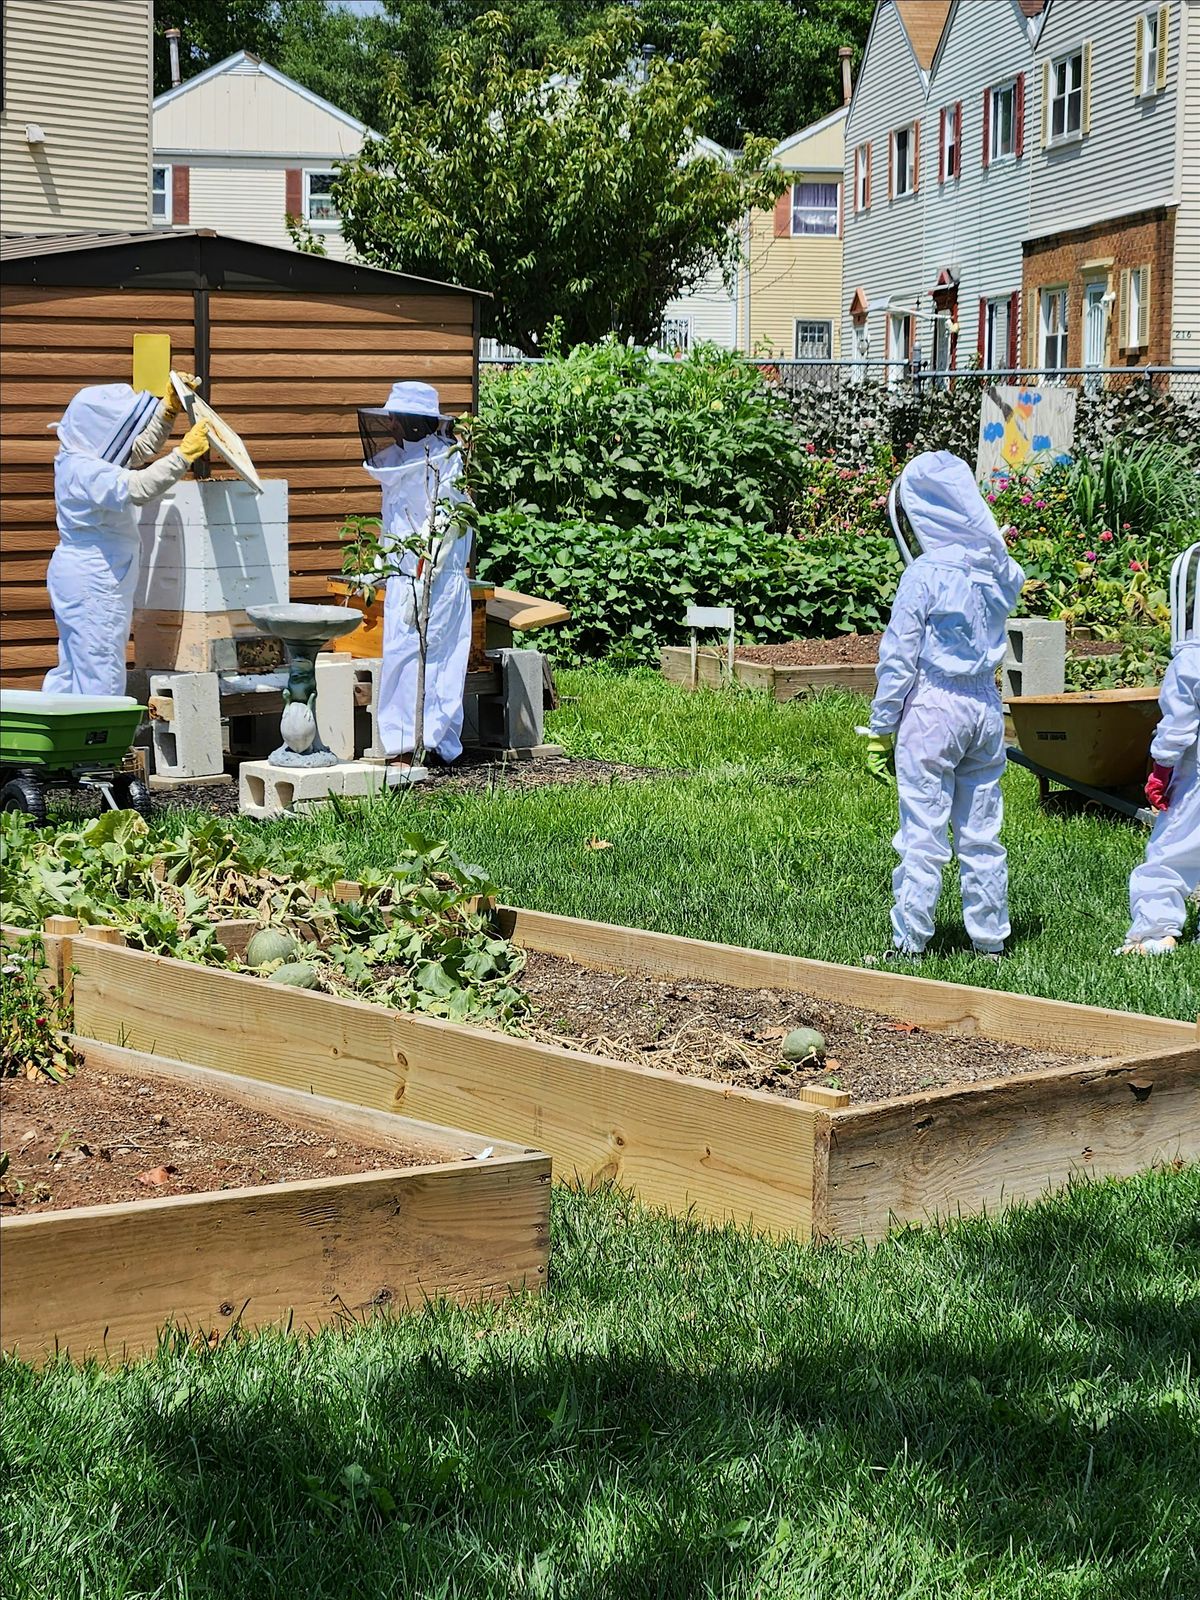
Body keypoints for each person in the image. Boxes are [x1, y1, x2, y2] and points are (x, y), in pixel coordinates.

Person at [865, 450, 1025, 962]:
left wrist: (880, 726)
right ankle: (990, 942)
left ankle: (909, 942)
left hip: (933, 707)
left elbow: (898, 658)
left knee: (923, 830)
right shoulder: (998, 572)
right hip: (985, 706)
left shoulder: (925, 574)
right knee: (982, 831)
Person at [43, 380, 209, 697]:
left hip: (84, 576)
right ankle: (99, 745)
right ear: (96, 429)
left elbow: (137, 451)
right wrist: (183, 455)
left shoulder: (81, 456)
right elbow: (139, 487)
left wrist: (167, 412)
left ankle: (62, 742)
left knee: (74, 669)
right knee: (100, 673)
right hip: (93, 581)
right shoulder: (84, 471)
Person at [359, 381, 472, 773]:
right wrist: (379, 567)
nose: (389, 422)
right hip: (401, 577)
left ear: (413, 420)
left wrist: (427, 572)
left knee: (433, 659)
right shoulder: (393, 459)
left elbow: (448, 523)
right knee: (400, 656)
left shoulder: (448, 461)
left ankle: (422, 744)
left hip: (435, 580)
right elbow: (393, 525)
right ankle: (405, 743)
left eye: (396, 416)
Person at [1118, 540, 1200, 956]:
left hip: (1197, 775)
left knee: (1171, 849)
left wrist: (1161, 768)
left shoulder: (1191, 661)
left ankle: (1155, 931)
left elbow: (1180, 725)